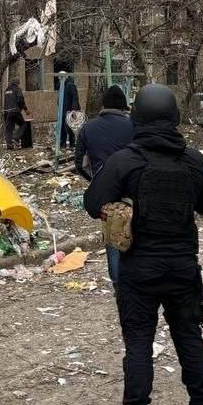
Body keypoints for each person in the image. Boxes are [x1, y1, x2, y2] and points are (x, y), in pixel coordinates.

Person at [83, 83, 203, 405]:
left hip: (138, 271)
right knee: (190, 340)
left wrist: (126, 204)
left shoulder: (125, 161)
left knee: (139, 347)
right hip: (182, 268)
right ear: (175, 118)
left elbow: (92, 202)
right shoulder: (194, 160)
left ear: (136, 118)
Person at [75, 85, 135, 283]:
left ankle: (119, 284)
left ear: (103, 105)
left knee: (113, 235)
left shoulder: (88, 127)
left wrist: (96, 181)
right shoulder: (134, 125)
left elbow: (80, 164)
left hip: (106, 193)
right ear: (123, 106)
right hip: (134, 189)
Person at [2, 80, 32, 150]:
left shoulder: (6, 90)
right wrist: (26, 109)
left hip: (6, 112)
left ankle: (9, 145)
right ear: (17, 83)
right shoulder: (17, 89)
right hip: (15, 111)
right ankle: (15, 138)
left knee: (9, 129)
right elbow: (20, 100)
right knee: (23, 124)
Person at [59, 73, 80, 149]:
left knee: (69, 127)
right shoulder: (62, 86)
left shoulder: (70, 85)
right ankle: (62, 144)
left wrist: (73, 110)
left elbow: (75, 97)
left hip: (69, 111)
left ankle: (72, 144)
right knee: (62, 128)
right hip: (63, 110)